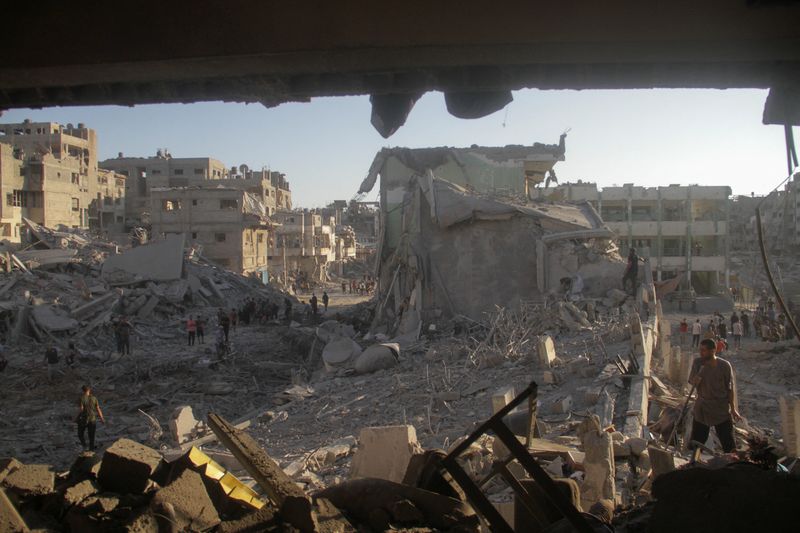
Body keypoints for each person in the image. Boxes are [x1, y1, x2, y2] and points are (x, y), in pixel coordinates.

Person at [688, 338, 741, 453]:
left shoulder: (725, 366)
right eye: (700, 350)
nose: (701, 353)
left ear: (713, 351)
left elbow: (729, 389)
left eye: (704, 350)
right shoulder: (698, 363)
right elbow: (691, 380)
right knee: (697, 441)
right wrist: (695, 380)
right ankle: (694, 463)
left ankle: (732, 464)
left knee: (728, 442)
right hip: (702, 407)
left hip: (720, 407)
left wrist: (733, 409)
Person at [76, 385, 105, 451]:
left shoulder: (82, 398)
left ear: (83, 391)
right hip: (92, 419)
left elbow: (81, 409)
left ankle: (84, 446)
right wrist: (102, 418)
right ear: (89, 390)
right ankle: (91, 451)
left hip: (84, 419)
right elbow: (98, 409)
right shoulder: (94, 398)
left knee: (80, 434)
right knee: (91, 437)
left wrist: (76, 418)